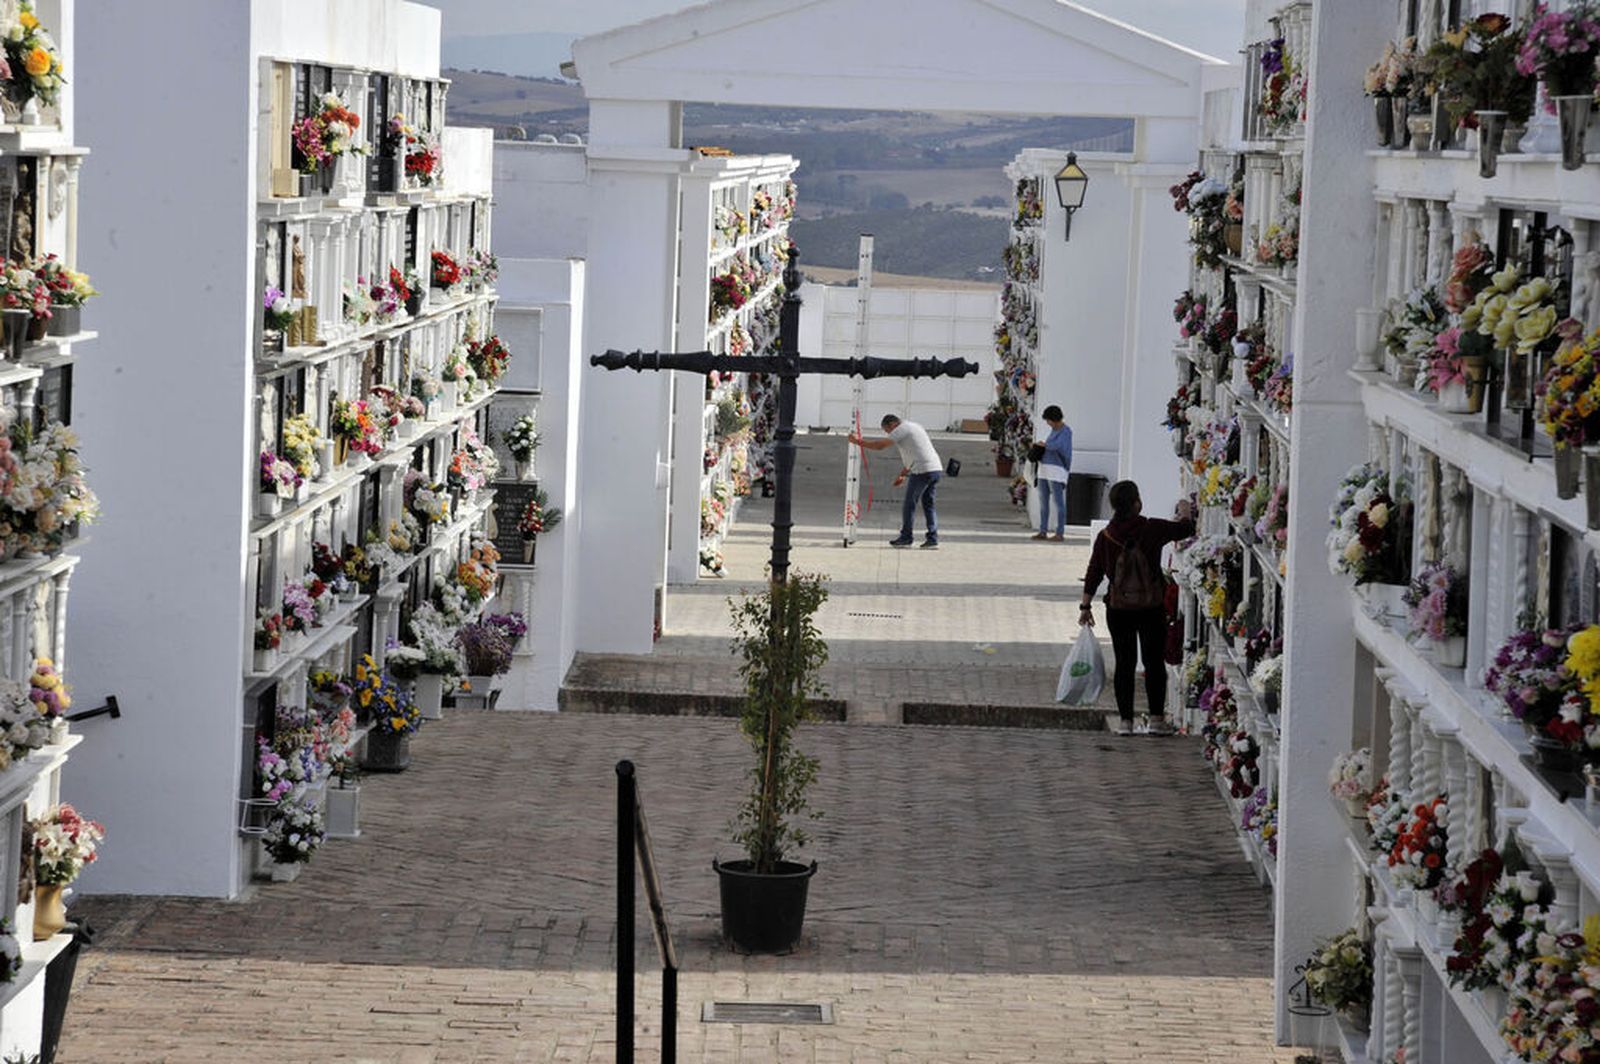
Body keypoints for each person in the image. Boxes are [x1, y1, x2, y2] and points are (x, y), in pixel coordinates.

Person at [1078, 480, 1195, 736]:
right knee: (1153, 662)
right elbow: (1185, 529)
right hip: (1151, 607)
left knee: (1124, 664)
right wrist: (1186, 511)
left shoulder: (1106, 536)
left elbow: (1094, 571)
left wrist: (1085, 606)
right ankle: (1156, 720)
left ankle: (1125, 722)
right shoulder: (1152, 528)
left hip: (1118, 608)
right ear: (1136, 503)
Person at [848, 414, 943, 548]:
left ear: (892, 424)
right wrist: (903, 474)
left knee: (909, 505)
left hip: (922, 471)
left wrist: (857, 441)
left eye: (887, 430)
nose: (888, 434)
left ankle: (906, 537)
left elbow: (879, 446)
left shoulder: (901, 429)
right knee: (928, 505)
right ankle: (933, 538)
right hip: (935, 469)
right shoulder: (914, 426)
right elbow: (916, 452)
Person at [1032, 405, 1072, 541]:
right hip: (1044, 469)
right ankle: (1042, 531)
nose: (1048, 423)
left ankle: (1060, 532)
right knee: (1043, 501)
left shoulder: (1066, 431)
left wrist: (1045, 445)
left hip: (1056, 471)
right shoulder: (1054, 431)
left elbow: (1060, 447)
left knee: (1058, 502)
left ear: (1054, 419)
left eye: (1048, 420)